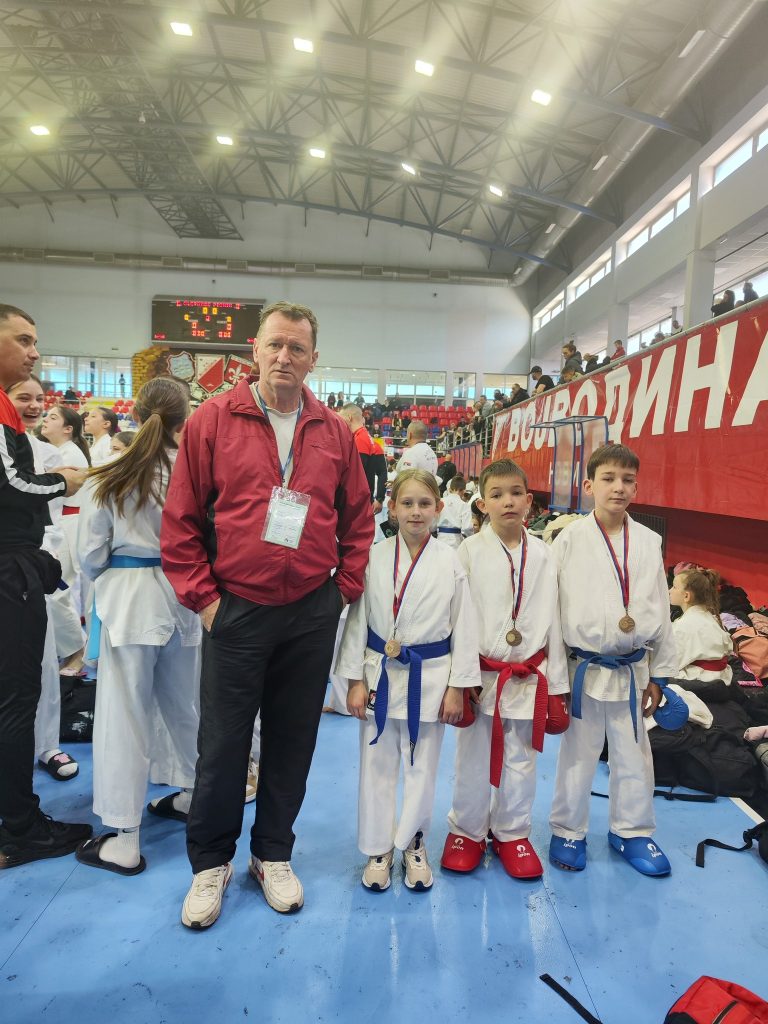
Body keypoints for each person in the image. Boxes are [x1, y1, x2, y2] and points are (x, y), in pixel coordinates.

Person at [161, 300, 373, 929]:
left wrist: (342, 590)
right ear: (254, 350)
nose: (284, 357)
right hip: (237, 609)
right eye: (275, 345)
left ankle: (272, 853)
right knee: (223, 744)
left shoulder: (333, 432)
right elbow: (182, 519)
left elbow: (358, 518)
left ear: (313, 359)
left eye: (296, 348)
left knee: (293, 740)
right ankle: (210, 863)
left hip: (309, 610)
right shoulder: (212, 420)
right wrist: (205, 600)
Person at [75, 378, 201, 876]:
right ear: (184, 420)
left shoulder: (110, 475)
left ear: (134, 415)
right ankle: (195, 798)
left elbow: (90, 556)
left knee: (124, 716)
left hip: (129, 600)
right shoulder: (195, 472)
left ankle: (125, 838)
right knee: (186, 707)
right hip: (185, 595)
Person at [336, 469, 481, 893]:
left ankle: (414, 844)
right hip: (379, 673)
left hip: (430, 678)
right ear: (392, 508)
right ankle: (378, 849)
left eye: (424, 504)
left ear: (439, 508)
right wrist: (353, 680)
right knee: (376, 767)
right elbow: (357, 621)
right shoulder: (374, 557)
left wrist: (457, 687)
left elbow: (464, 626)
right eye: (407, 503)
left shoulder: (451, 561)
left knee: (422, 768)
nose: (416, 512)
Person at [548, 443, 678, 877]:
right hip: (582, 668)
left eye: (627, 480)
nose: (618, 488)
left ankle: (632, 830)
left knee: (634, 754)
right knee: (578, 753)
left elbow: (661, 607)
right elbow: (553, 612)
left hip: (633, 668)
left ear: (636, 488)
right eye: (608, 479)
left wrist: (661, 673)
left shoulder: (649, 542)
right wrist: (555, 678)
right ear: (588, 486)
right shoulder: (568, 540)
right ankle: (568, 829)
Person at [441, 459, 569, 879]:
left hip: (529, 674)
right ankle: (467, 830)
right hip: (482, 674)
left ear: (529, 500)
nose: (507, 502)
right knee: (472, 757)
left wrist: (557, 686)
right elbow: (458, 620)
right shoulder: (468, 552)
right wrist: (460, 679)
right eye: (496, 495)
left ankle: (512, 833)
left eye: (515, 493)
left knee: (522, 759)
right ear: (482, 504)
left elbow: (555, 622)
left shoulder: (545, 555)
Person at [0, 304, 91, 869]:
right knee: (17, 700)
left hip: (21, 561)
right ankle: (21, 829)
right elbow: (11, 484)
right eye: (23, 340)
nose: (34, 352)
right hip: (9, 572)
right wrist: (63, 480)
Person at [6, 375, 80, 782]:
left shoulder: (49, 453)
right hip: (11, 561)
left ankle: (47, 744)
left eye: (40, 399)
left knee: (41, 662)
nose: (34, 406)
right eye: (24, 398)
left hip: (37, 561)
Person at [669, 568, 733, 685]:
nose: (670, 591)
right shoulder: (711, 618)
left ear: (686, 596)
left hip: (699, 683)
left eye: (674, 587)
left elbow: (671, 664)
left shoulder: (684, 626)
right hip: (721, 679)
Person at [338, 403, 387, 513]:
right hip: (365, 500)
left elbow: (353, 476)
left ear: (349, 417)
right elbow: (382, 472)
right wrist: (380, 498)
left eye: (341, 419)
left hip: (356, 503)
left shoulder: (359, 440)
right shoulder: (370, 441)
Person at [435, 475, 473, 548]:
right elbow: (467, 528)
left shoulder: (440, 502)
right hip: (456, 541)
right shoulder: (464, 505)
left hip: (440, 538)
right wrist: (470, 537)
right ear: (464, 491)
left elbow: (433, 524)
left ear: (450, 489)